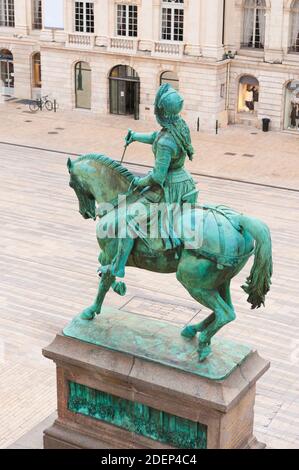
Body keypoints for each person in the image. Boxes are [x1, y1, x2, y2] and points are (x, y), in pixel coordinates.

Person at [101, 84, 198, 278]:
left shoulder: (165, 144)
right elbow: (157, 136)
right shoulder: (180, 126)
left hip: (167, 188)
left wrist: (139, 181)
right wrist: (136, 136)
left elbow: (157, 177)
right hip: (184, 181)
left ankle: (118, 267)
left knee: (129, 219)